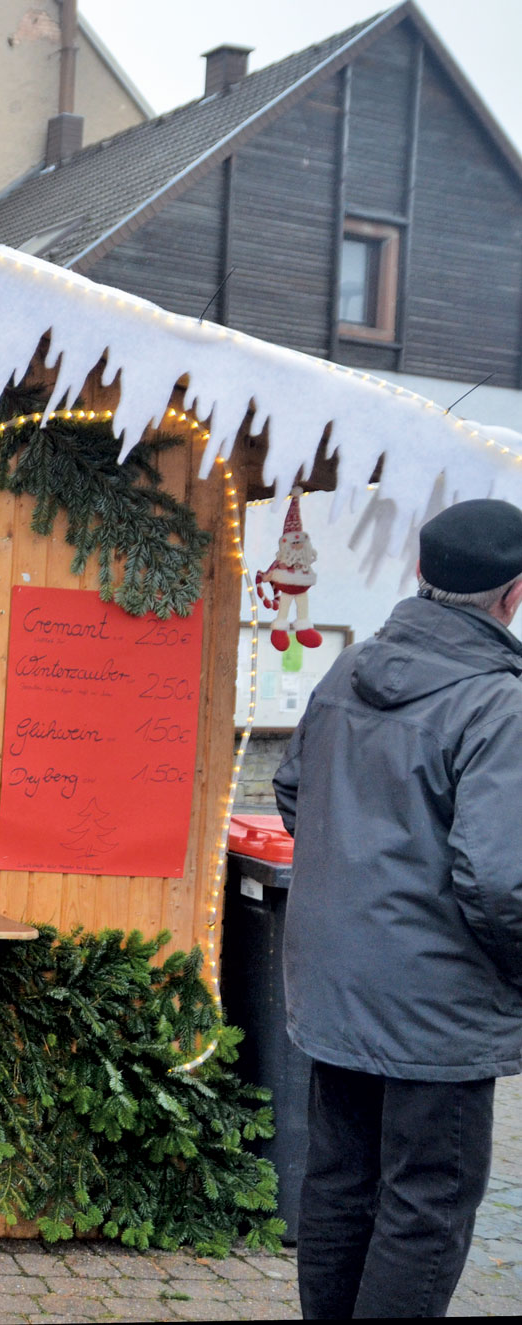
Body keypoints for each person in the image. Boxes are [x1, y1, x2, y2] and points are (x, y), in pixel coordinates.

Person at [275, 497, 522, 1319]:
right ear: (513, 594)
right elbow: (500, 881)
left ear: (420, 571)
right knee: (425, 1205)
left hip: (337, 982)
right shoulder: (497, 703)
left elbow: (292, 791)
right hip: (435, 1007)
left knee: (339, 1181)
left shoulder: (347, 669)